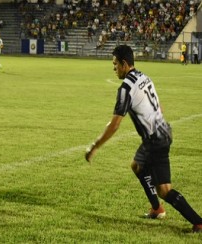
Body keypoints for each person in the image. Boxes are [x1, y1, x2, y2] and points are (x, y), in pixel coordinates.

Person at [85, 45, 202, 233]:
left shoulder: (125, 89)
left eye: (115, 64)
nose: (113, 68)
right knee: (137, 165)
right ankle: (157, 209)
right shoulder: (144, 77)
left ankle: (198, 222)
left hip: (156, 140)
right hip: (162, 132)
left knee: (165, 190)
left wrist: (94, 146)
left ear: (124, 64)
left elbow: (114, 125)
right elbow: (160, 107)